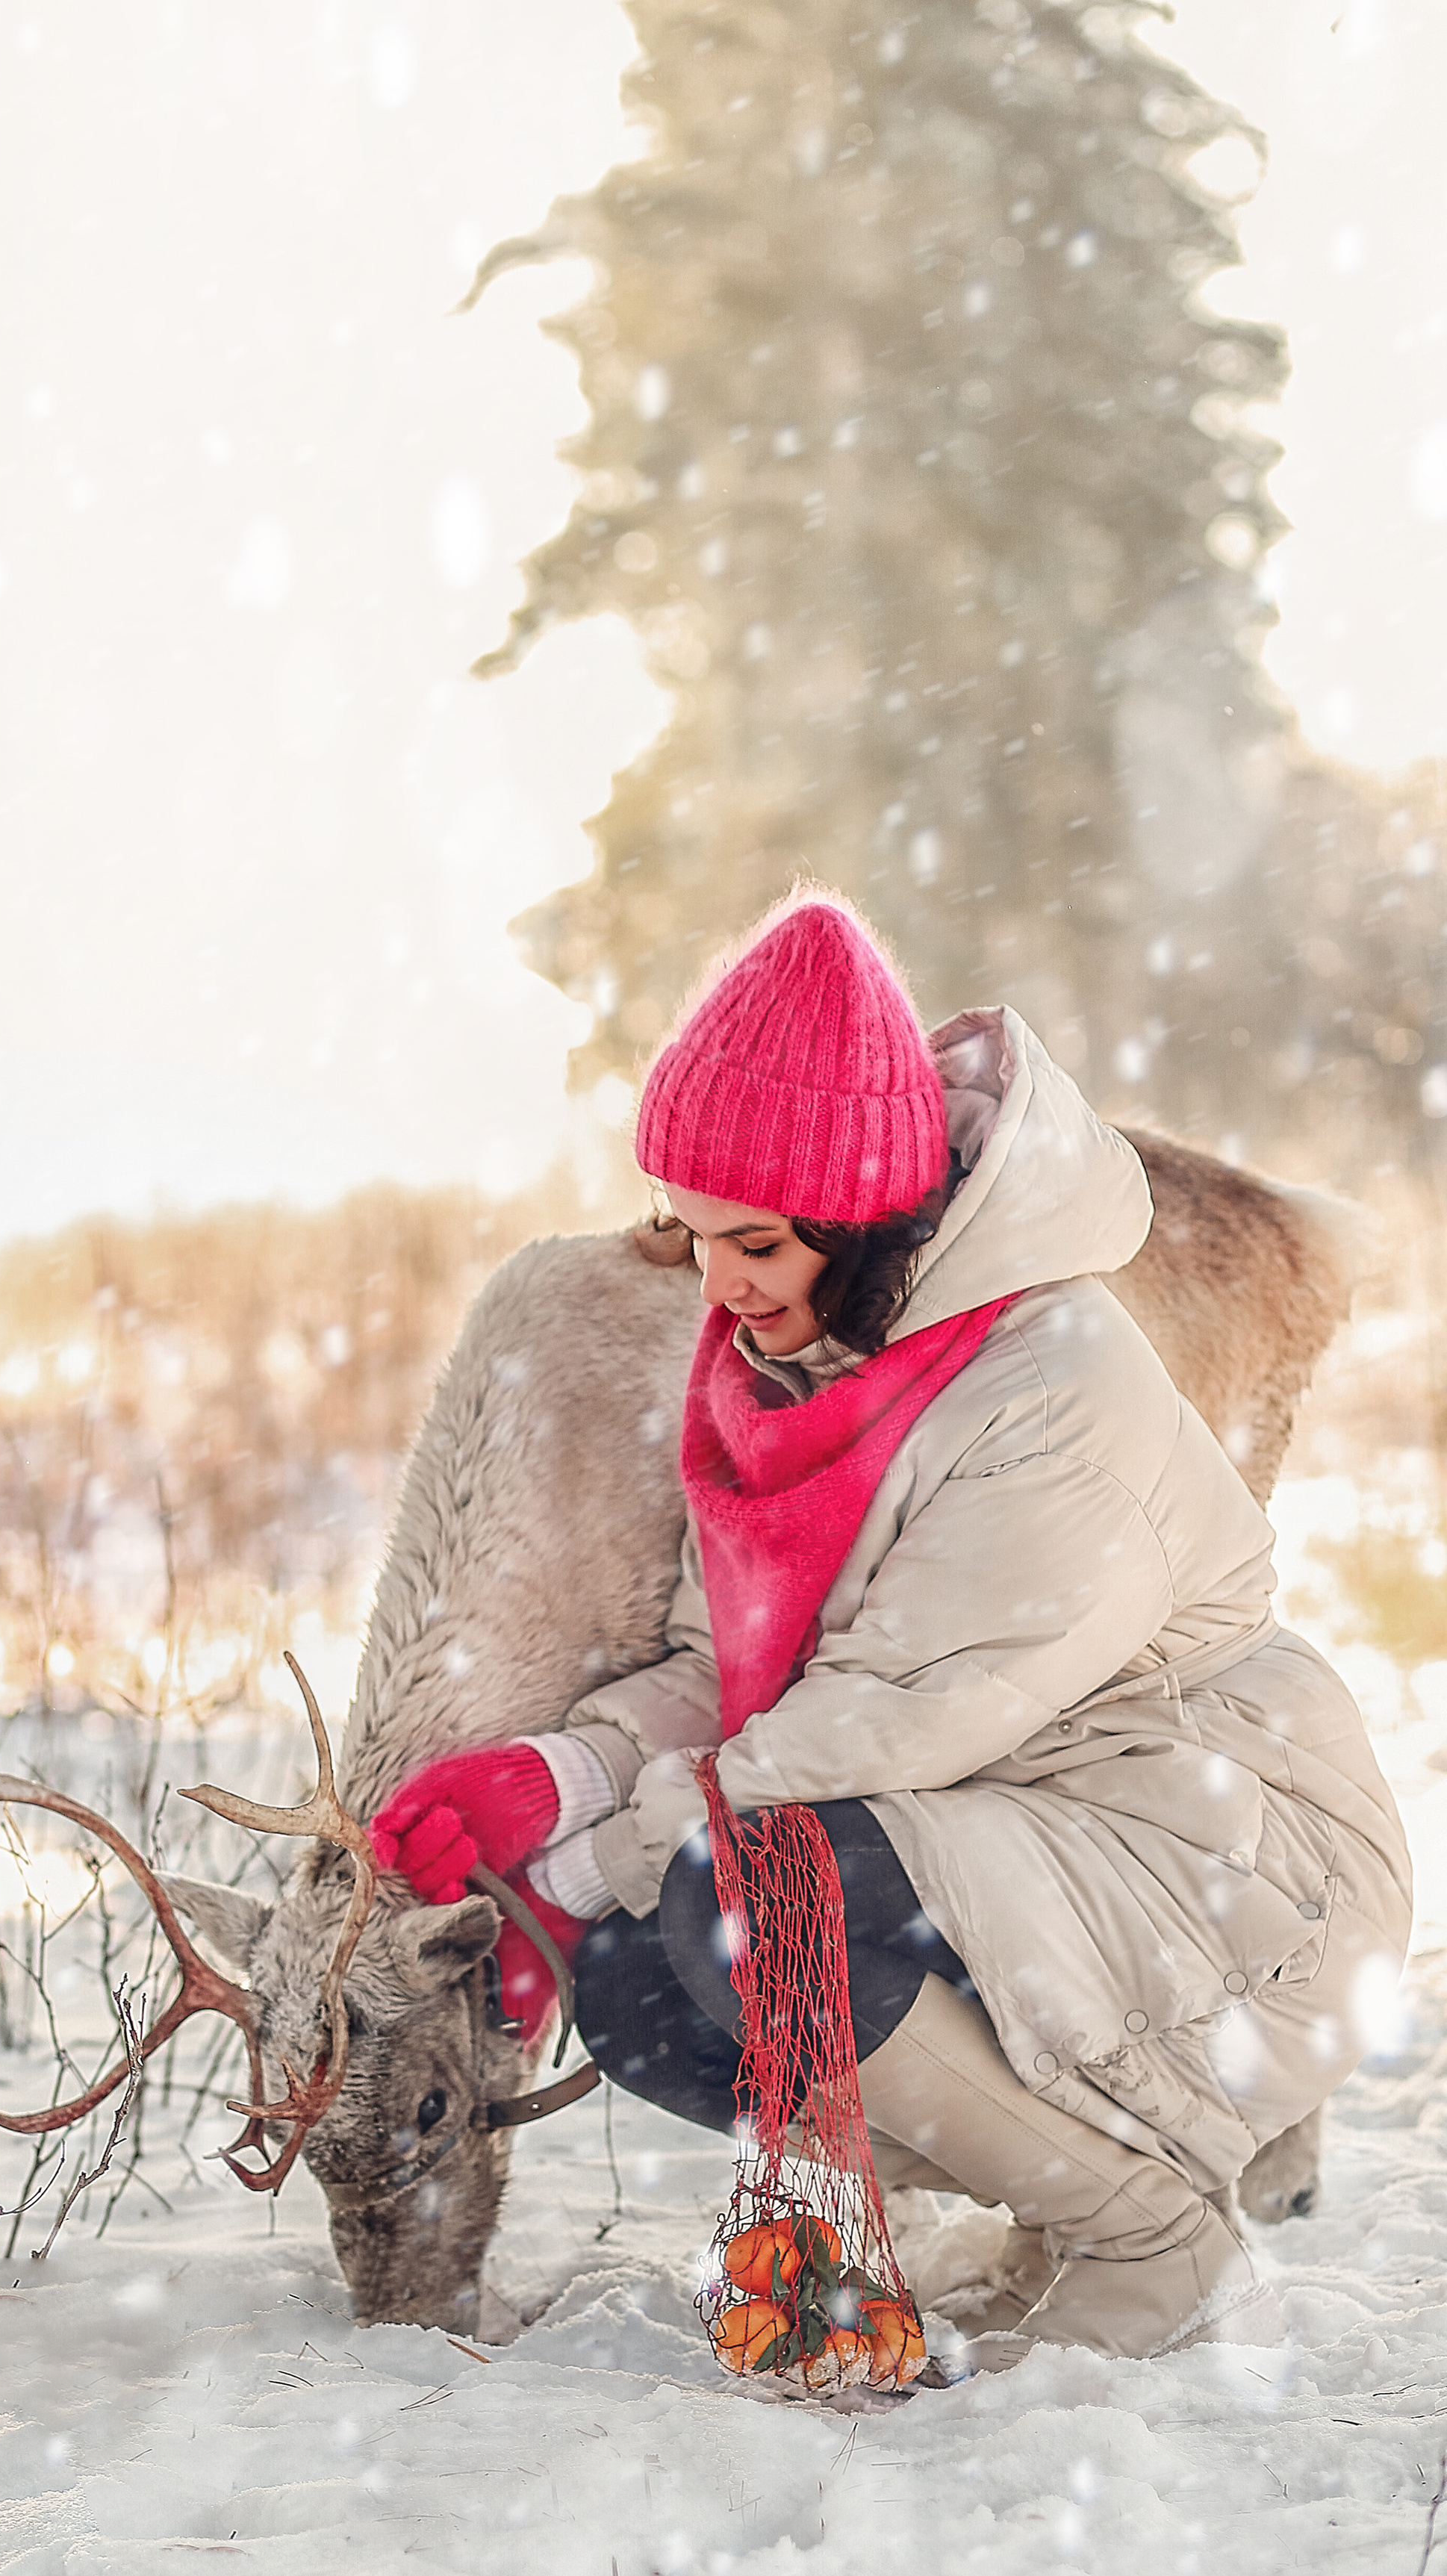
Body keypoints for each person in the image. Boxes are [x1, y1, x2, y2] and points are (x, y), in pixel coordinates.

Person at [372, 896, 1411, 2362]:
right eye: (692, 1234)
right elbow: (732, 1674)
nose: (715, 1285)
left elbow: (884, 1718)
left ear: (861, 1223)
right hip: (1020, 1842)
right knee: (638, 1992)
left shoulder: (1049, 1387)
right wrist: (564, 1774)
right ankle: (1055, 2201)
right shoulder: (794, 1373)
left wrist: (597, 1860)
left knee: (739, 1899)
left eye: (751, 1241)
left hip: (1224, 1872)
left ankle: (1148, 2234)